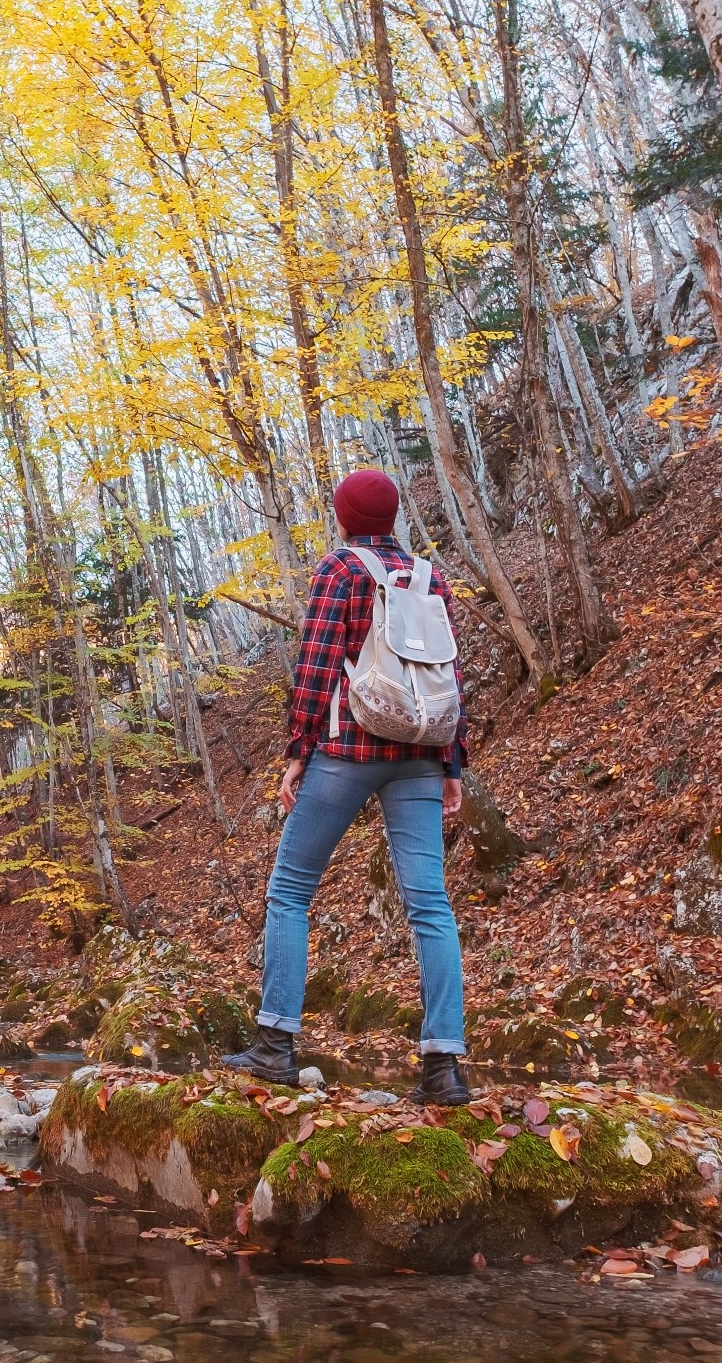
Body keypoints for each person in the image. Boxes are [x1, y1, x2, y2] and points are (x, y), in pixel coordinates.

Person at [221, 467, 473, 1103]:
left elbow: (315, 665)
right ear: (392, 518)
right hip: (418, 751)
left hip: (347, 749)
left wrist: (298, 751)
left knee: (290, 891)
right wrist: (451, 762)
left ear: (344, 518)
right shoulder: (427, 575)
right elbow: (447, 674)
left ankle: (276, 1045)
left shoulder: (340, 571)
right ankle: (442, 1065)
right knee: (430, 906)